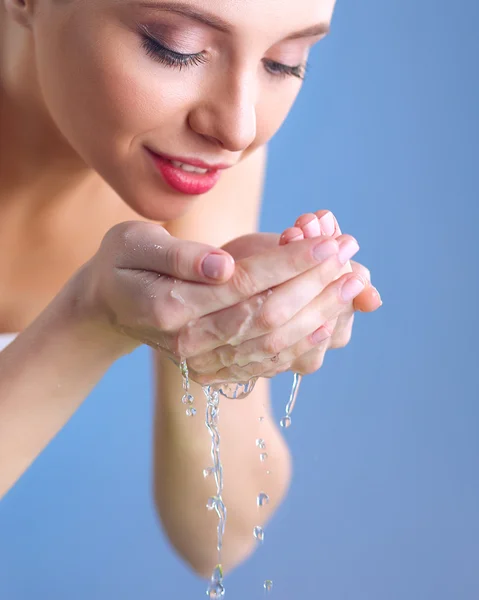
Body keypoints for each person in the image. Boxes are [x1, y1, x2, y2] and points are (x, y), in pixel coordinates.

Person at [0, 0, 382, 579]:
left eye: (284, 62)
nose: (238, 128)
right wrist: (90, 320)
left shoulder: (188, 155)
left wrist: (227, 335)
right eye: (174, 47)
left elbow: (221, 538)